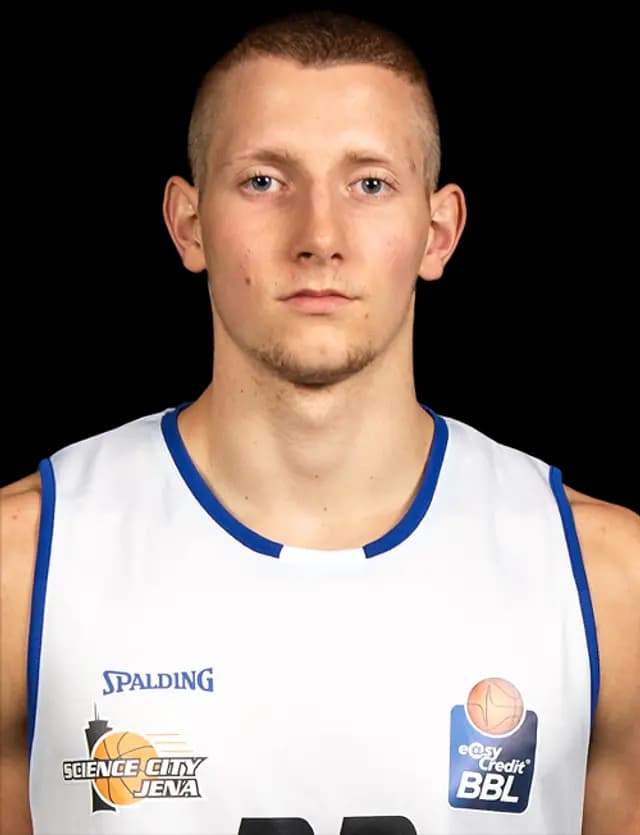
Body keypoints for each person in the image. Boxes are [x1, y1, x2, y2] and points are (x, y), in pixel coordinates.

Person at [1, 9, 638, 835]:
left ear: (438, 232)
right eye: (265, 181)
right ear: (189, 224)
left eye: (368, 183)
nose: (319, 237)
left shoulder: (606, 579)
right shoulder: (24, 568)